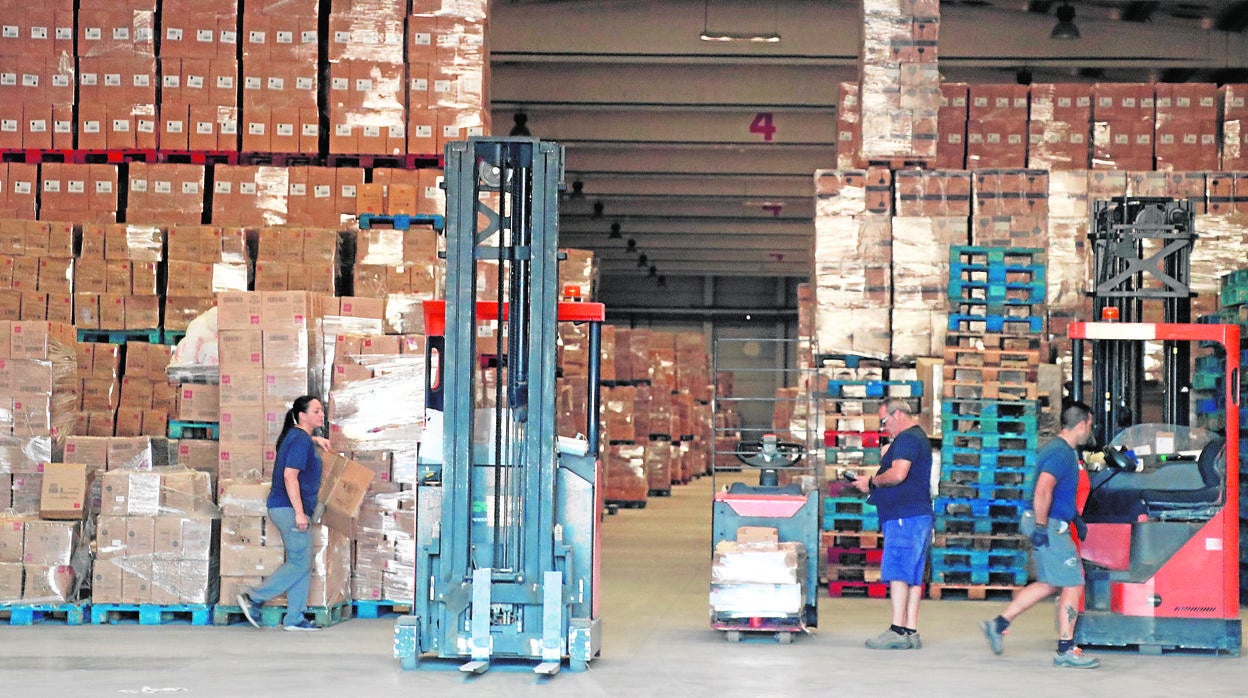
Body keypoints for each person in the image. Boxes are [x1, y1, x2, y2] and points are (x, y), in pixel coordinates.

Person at [980, 401, 1100, 669]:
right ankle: (1066, 649)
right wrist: (1042, 527)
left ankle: (998, 624)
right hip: (1048, 524)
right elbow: (1043, 489)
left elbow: (1057, 492)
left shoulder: (1060, 450)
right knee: (1073, 582)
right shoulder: (1060, 452)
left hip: (1048, 521)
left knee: (1049, 582)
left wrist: (1074, 517)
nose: (1090, 430)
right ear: (1081, 424)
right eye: (1089, 425)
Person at [237, 395, 334, 631]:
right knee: (300, 561)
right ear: (302, 415)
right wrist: (299, 512)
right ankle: (254, 597)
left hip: (288, 507)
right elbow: (290, 475)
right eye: (316, 411)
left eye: (321, 411)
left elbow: (299, 443)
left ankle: (295, 618)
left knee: (301, 562)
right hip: (289, 508)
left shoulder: (298, 437)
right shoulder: (299, 440)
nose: (321, 415)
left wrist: (315, 439)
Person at [853, 397, 933, 650]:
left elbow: (898, 474)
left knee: (899, 571)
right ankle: (910, 629)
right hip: (917, 515)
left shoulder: (907, 439)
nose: (884, 427)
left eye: (884, 421)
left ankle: (897, 629)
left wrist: (871, 482)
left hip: (903, 516)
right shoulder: (917, 438)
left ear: (898, 414)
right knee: (913, 574)